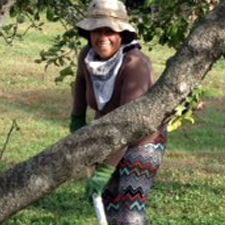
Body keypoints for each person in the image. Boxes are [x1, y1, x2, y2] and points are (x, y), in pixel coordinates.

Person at [70, 0, 166, 224]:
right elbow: (81, 82)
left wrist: (105, 171)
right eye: (96, 31)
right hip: (108, 134)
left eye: (109, 31)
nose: (102, 37)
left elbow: (129, 125)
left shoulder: (134, 64)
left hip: (143, 139)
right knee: (108, 206)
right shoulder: (87, 56)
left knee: (131, 212)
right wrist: (77, 119)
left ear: (122, 34)